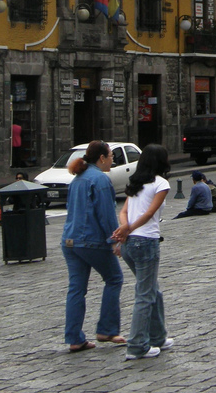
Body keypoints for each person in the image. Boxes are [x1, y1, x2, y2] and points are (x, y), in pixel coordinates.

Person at [61, 141, 124, 352]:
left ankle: (74, 338)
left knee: (76, 289)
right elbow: (106, 215)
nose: (113, 160)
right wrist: (116, 239)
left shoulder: (78, 179)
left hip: (70, 240)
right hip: (90, 240)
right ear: (102, 158)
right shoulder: (100, 180)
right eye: (111, 156)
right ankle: (107, 328)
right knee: (114, 278)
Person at [113, 144, 174, 361]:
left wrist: (124, 229)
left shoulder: (135, 183)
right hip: (146, 241)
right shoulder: (161, 184)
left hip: (130, 244)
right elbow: (150, 213)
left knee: (152, 290)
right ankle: (137, 345)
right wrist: (127, 229)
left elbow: (124, 211)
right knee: (145, 295)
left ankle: (158, 337)